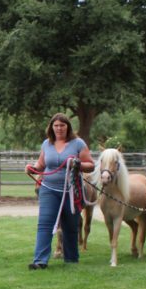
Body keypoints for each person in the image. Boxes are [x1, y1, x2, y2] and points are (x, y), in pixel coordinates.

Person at [25, 113, 94, 269]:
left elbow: (90, 165)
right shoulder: (46, 144)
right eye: (56, 125)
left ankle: (71, 259)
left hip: (71, 191)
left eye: (62, 125)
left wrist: (78, 163)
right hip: (49, 189)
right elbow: (41, 164)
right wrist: (32, 168)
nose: (59, 128)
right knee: (45, 224)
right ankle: (40, 261)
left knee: (70, 226)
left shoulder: (78, 143)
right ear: (51, 127)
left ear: (68, 127)